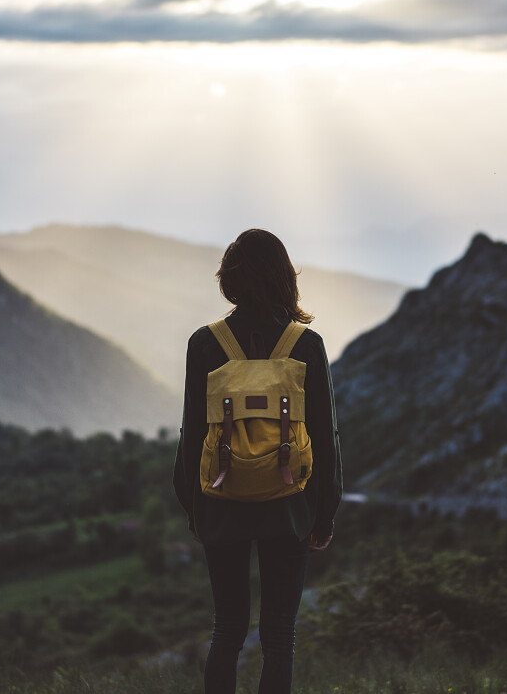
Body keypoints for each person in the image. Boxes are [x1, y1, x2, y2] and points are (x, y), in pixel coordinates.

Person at [174, 228, 343, 694]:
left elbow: (192, 436)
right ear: (285, 278)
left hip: (222, 501)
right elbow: (325, 439)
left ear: (229, 277)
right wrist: (324, 513)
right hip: (289, 505)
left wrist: (195, 507)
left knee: (227, 629)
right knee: (280, 636)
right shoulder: (306, 345)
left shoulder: (204, 343)